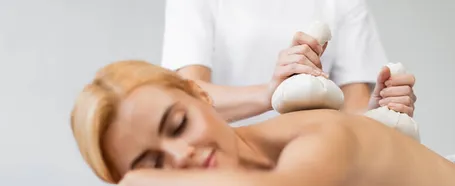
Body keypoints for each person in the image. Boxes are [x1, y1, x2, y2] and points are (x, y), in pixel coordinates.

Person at [71, 60, 455, 186]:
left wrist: (141, 178)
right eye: (152, 161)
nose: (179, 158)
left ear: (199, 95)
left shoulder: (315, 133)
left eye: (177, 124)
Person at [160, 0, 417, 126]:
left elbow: (353, 111)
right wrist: (270, 92)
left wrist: (381, 113)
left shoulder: (345, 3)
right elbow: (189, 98)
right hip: (228, 165)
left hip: (311, 166)